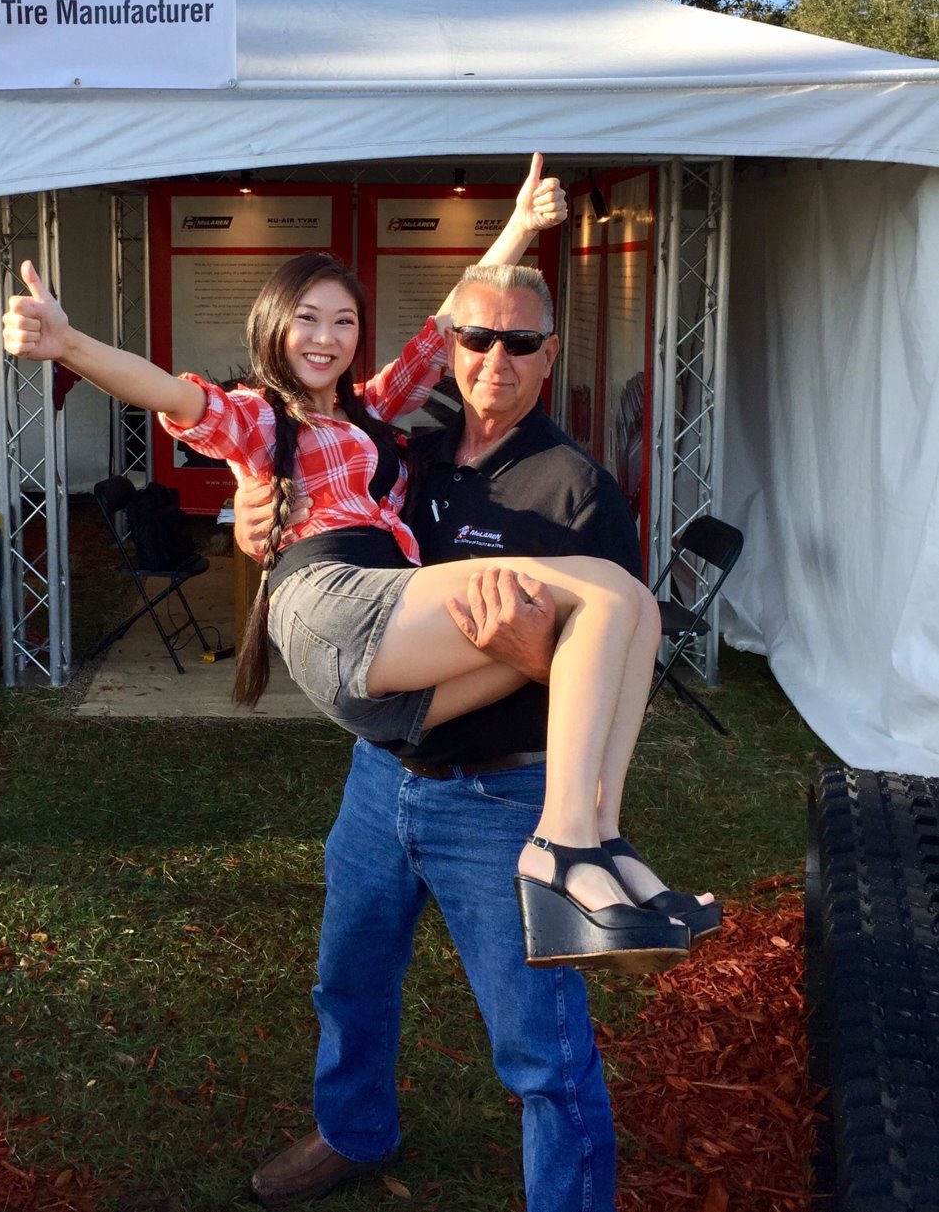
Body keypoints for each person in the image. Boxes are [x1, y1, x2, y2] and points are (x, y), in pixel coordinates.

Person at [0, 161, 704, 978]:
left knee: (633, 606)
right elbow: (170, 393)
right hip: (334, 596)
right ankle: (560, 845)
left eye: (341, 321)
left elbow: (444, 328)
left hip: (389, 634)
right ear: (273, 325)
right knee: (605, 592)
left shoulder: (373, 414)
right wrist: (69, 343)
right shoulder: (263, 417)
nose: (324, 337)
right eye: (307, 319)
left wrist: (517, 229)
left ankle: (596, 842)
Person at [235, 258, 715, 1210]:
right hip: (383, 777)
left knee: (542, 1048)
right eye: (475, 337)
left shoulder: (576, 491)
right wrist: (256, 513)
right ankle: (353, 1129)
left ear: (549, 354)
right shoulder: (404, 452)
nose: (495, 357)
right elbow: (323, 512)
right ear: (450, 345)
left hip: (502, 797)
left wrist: (523, 640)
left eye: (520, 342)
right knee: (349, 979)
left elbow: (615, 666)